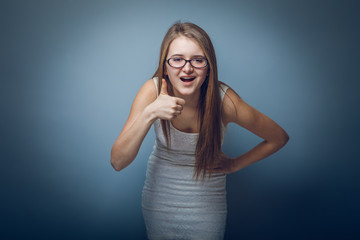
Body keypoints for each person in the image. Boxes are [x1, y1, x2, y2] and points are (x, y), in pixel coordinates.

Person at [111, 22, 289, 240]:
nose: (187, 68)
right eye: (177, 59)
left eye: (197, 60)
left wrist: (234, 164)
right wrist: (150, 113)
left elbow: (279, 137)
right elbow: (118, 162)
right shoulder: (152, 91)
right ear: (165, 66)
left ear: (209, 67)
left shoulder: (225, 101)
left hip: (207, 202)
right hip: (160, 197)